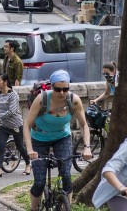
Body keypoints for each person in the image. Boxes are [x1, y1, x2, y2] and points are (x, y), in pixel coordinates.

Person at [22, 70, 93, 211]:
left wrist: (87, 147)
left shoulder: (74, 100)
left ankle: (67, 207)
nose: (62, 93)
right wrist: (30, 150)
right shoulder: (42, 99)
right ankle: (33, 208)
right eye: (57, 89)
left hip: (62, 137)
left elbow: (84, 125)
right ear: (51, 87)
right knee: (40, 182)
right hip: (39, 139)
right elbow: (26, 125)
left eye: (65, 89)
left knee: (66, 175)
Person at [0, 74, 32, 177]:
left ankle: (28, 164)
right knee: (0, 146)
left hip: (16, 125)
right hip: (4, 126)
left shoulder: (13, 95)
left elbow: (12, 112)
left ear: (5, 82)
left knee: (20, 147)